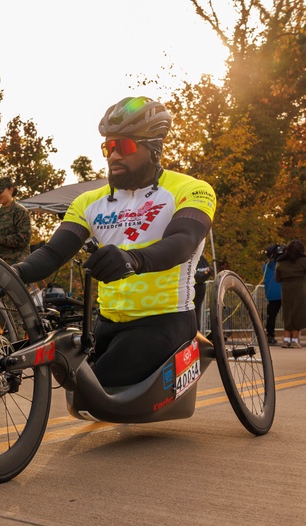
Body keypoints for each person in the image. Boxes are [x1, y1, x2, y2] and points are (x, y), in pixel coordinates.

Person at [13, 96, 216, 388]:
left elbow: (183, 241)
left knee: (96, 384)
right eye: (108, 147)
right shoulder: (88, 202)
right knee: (65, 366)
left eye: (125, 146)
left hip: (162, 320)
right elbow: (53, 253)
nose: (113, 155)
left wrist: (133, 260)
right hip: (106, 324)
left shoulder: (190, 189)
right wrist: (14, 273)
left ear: (153, 148)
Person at [0, 176, 32, 265]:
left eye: (0, 192)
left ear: (11, 190)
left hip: (16, 265)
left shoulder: (19, 211)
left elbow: (24, 239)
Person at [275, 239, 306, 348]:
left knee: (287, 313)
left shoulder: (280, 262)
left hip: (286, 290)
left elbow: (277, 279)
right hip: (300, 290)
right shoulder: (303, 261)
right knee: (298, 313)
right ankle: (294, 340)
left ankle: (286, 339)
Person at [262, 244, 284, 345]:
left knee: (271, 316)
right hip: (283, 292)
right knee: (289, 315)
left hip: (271, 294)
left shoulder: (266, 266)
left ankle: (270, 335)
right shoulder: (282, 265)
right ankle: (291, 336)